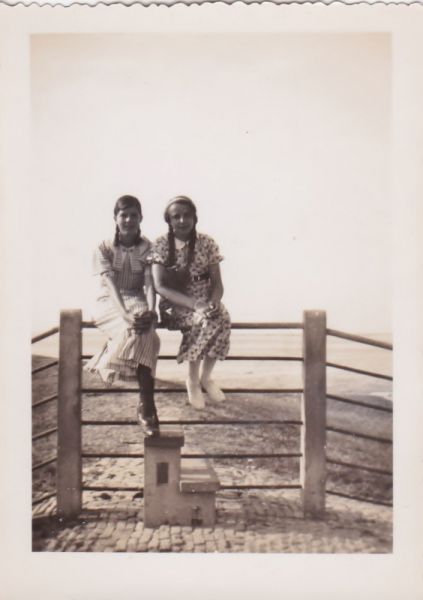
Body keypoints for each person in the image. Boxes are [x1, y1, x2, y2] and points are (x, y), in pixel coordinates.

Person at [85, 195, 160, 436]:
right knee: (136, 330)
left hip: (137, 299)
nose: (128, 220)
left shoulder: (148, 248)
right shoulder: (104, 247)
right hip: (109, 301)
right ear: (115, 218)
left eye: (133, 215)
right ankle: (148, 408)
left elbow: (150, 284)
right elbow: (110, 285)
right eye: (123, 215)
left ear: (141, 218)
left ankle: (144, 405)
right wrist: (125, 314)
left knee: (148, 333)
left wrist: (151, 310)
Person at [151, 195, 231, 409]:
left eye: (187, 215)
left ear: (195, 218)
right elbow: (160, 286)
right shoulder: (160, 245)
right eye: (176, 216)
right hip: (176, 302)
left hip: (205, 297)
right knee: (201, 321)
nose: (182, 220)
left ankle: (206, 377)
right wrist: (196, 306)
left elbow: (218, 284)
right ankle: (193, 381)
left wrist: (213, 302)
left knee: (222, 317)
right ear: (169, 220)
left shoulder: (207, 243)